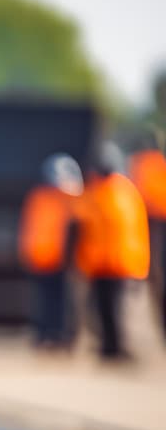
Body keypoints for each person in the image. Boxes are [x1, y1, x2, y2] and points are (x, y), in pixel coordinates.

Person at [75, 142, 151, 362]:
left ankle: (118, 347)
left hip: (122, 263)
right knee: (101, 308)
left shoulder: (125, 192)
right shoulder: (96, 191)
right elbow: (82, 224)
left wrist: (141, 265)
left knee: (119, 309)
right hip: (100, 263)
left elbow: (137, 231)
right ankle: (108, 346)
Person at [19, 154, 82, 350]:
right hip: (41, 259)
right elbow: (29, 227)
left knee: (63, 301)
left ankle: (62, 336)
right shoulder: (38, 197)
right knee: (43, 301)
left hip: (63, 261)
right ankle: (44, 334)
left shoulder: (71, 199)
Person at [130, 133, 166, 334]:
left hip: (150, 222)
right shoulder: (157, 163)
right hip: (154, 221)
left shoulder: (140, 164)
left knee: (155, 276)